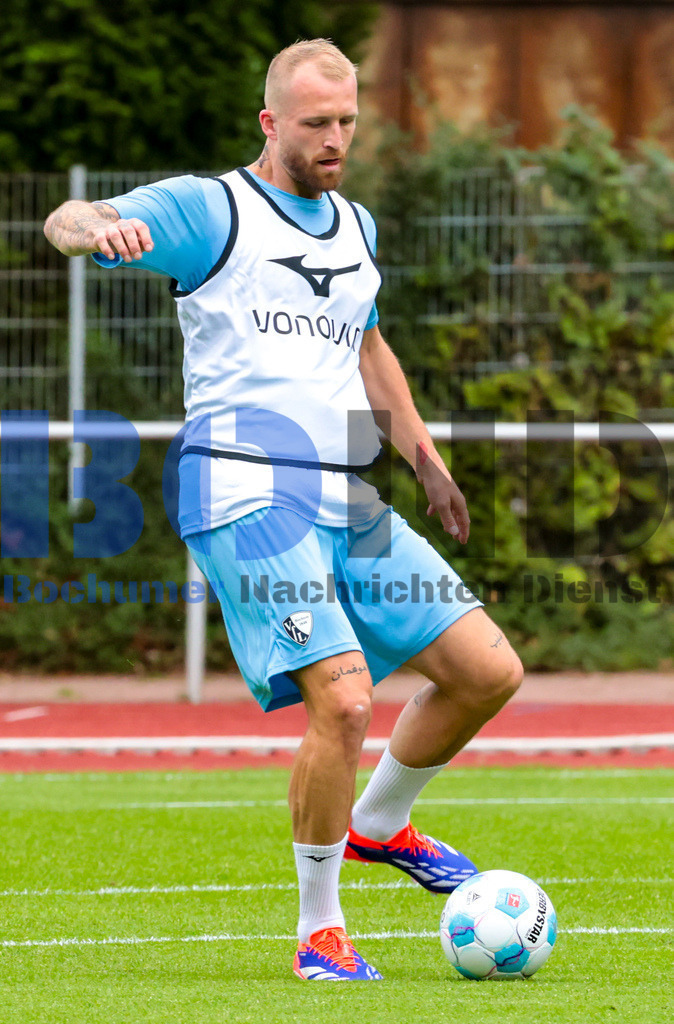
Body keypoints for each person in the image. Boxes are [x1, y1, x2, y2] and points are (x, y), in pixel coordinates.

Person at [44, 38, 523, 982]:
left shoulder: (356, 226)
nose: (336, 139)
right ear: (272, 123)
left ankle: (379, 826)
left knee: (486, 669)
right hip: (241, 485)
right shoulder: (209, 208)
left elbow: (368, 347)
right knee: (344, 701)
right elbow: (69, 215)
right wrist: (96, 228)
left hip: (340, 487)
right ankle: (320, 931)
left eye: (347, 122)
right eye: (316, 125)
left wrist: (423, 455)